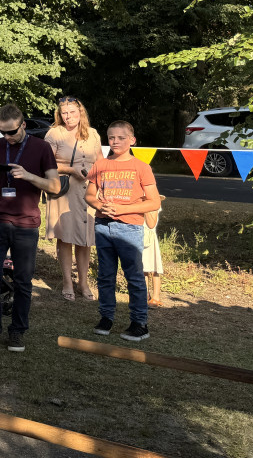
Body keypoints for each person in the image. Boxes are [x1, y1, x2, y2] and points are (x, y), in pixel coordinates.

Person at [0, 103, 59, 353]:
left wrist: (29, 176)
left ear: (23, 125)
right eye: (2, 132)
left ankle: (18, 331)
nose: (7, 137)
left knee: (22, 281)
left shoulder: (41, 148)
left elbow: (54, 186)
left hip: (25, 223)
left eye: (11, 132)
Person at [86, 121, 161, 342]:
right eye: (111, 138)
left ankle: (139, 323)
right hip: (103, 226)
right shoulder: (100, 165)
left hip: (130, 227)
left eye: (120, 138)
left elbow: (153, 202)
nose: (115, 142)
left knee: (134, 277)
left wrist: (124, 209)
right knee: (105, 275)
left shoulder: (141, 167)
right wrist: (99, 205)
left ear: (132, 140)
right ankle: (106, 318)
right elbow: (89, 195)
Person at [44, 96, 103, 301]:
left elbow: (101, 162)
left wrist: (103, 184)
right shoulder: (54, 133)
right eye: (64, 113)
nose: (68, 117)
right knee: (66, 237)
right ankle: (67, 281)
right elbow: (46, 163)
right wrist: (72, 169)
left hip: (89, 190)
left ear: (81, 113)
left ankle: (83, 282)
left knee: (85, 238)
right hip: (65, 189)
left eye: (72, 112)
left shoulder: (93, 133)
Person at [143, 206, 163, 307]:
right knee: (143, 268)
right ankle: (145, 294)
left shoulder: (154, 207)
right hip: (141, 237)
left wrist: (145, 208)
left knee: (155, 269)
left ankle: (156, 296)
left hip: (150, 238)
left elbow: (152, 223)